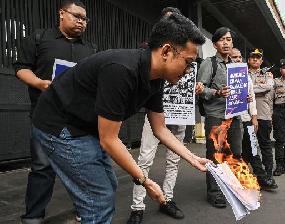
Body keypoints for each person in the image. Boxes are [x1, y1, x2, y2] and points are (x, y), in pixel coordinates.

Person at [30, 13, 209, 223]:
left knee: (108, 185)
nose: (189, 71)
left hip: (85, 125)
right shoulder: (122, 69)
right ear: (166, 51)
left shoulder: (157, 78)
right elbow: (109, 140)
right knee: (99, 197)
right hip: (59, 125)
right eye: (187, 63)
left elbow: (160, 129)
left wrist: (192, 158)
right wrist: (145, 181)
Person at [13, 1, 96, 223]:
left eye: (84, 19)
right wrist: (40, 83)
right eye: (77, 16)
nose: (81, 21)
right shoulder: (40, 39)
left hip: (79, 120)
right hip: (45, 117)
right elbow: (21, 67)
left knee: (81, 168)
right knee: (42, 168)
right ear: (62, 13)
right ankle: (33, 217)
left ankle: (84, 209)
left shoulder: (90, 49)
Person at [126, 7, 196, 224]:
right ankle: (137, 207)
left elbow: (191, 80)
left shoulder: (188, 55)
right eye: (168, 21)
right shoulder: (148, 52)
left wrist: (199, 87)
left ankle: (167, 199)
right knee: (145, 158)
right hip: (155, 113)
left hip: (180, 113)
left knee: (174, 161)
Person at [198, 27, 242, 208]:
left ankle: (231, 188)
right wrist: (217, 92)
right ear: (215, 44)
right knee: (216, 155)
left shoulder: (236, 65)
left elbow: (241, 89)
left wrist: (244, 96)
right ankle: (214, 192)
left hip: (235, 115)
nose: (226, 43)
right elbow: (200, 90)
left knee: (236, 154)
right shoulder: (209, 63)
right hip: (216, 116)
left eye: (229, 39)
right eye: (222, 40)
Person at [243, 48, 278, 190]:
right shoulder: (242, 73)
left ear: (261, 61)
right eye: (253, 57)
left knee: (265, 146)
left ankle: (268, 175)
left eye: (258, 58)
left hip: (263, 115)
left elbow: (269, 86)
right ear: (248, 60)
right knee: (249, 146)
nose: (255, 60)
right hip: (246, 115)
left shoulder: (267, 74)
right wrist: (258, 88)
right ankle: (252, 175)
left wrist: (249, 89)